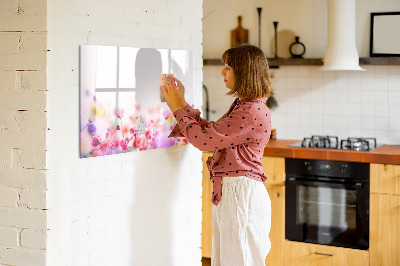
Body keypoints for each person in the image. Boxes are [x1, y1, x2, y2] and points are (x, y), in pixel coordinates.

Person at [161, 44, 273, 266]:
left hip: (241, 195)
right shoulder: (246, 106)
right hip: (236, 193)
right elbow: (212, 133)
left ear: (244, 72)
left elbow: (204, 141)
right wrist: (182, 104)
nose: (222, 72)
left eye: (228, 67)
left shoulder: (250, 111)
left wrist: (176, 108)